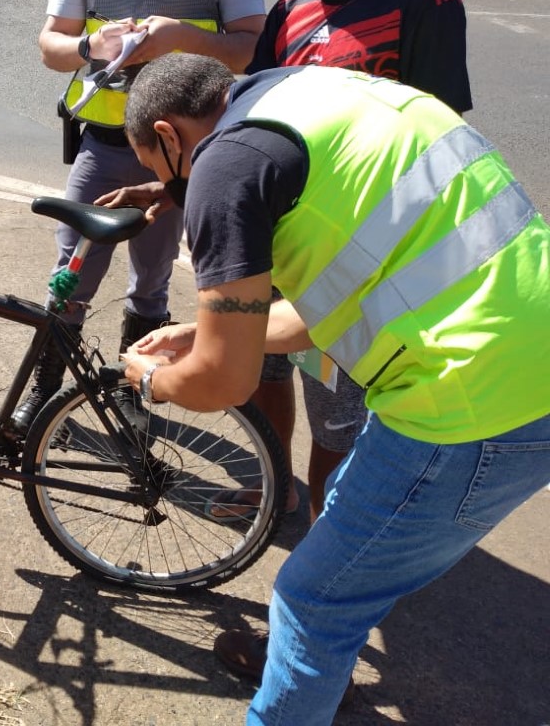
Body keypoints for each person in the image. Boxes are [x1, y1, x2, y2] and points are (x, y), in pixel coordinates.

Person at [115, 52, 550, 725]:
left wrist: (153, 379)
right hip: (519, 361)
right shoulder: (318, 94)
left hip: (466, 408)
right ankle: (312, 667)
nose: (174, 190)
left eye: (161, 172)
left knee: (315, 596)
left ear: (170, 136)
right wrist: (205, 335)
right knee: (347, 553)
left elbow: (224, 381)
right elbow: (332, 306)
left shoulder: (225, 167)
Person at [205, 0, 475, 686]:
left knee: (341, 420)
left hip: (358, 263)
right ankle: (275, 488)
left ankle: (334, 535)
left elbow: (439, 141)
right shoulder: (295, 7)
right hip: (279, 239)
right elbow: (247, 109)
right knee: (261, 370)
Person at [10, 0, 266, 434]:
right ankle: (44, 390)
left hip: (185, 152)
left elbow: (250, 48)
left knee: (153, 277)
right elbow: (51, 47)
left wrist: (183, 37)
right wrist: (91, 45)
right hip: (105, 144)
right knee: (71, 272)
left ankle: (134, 393)